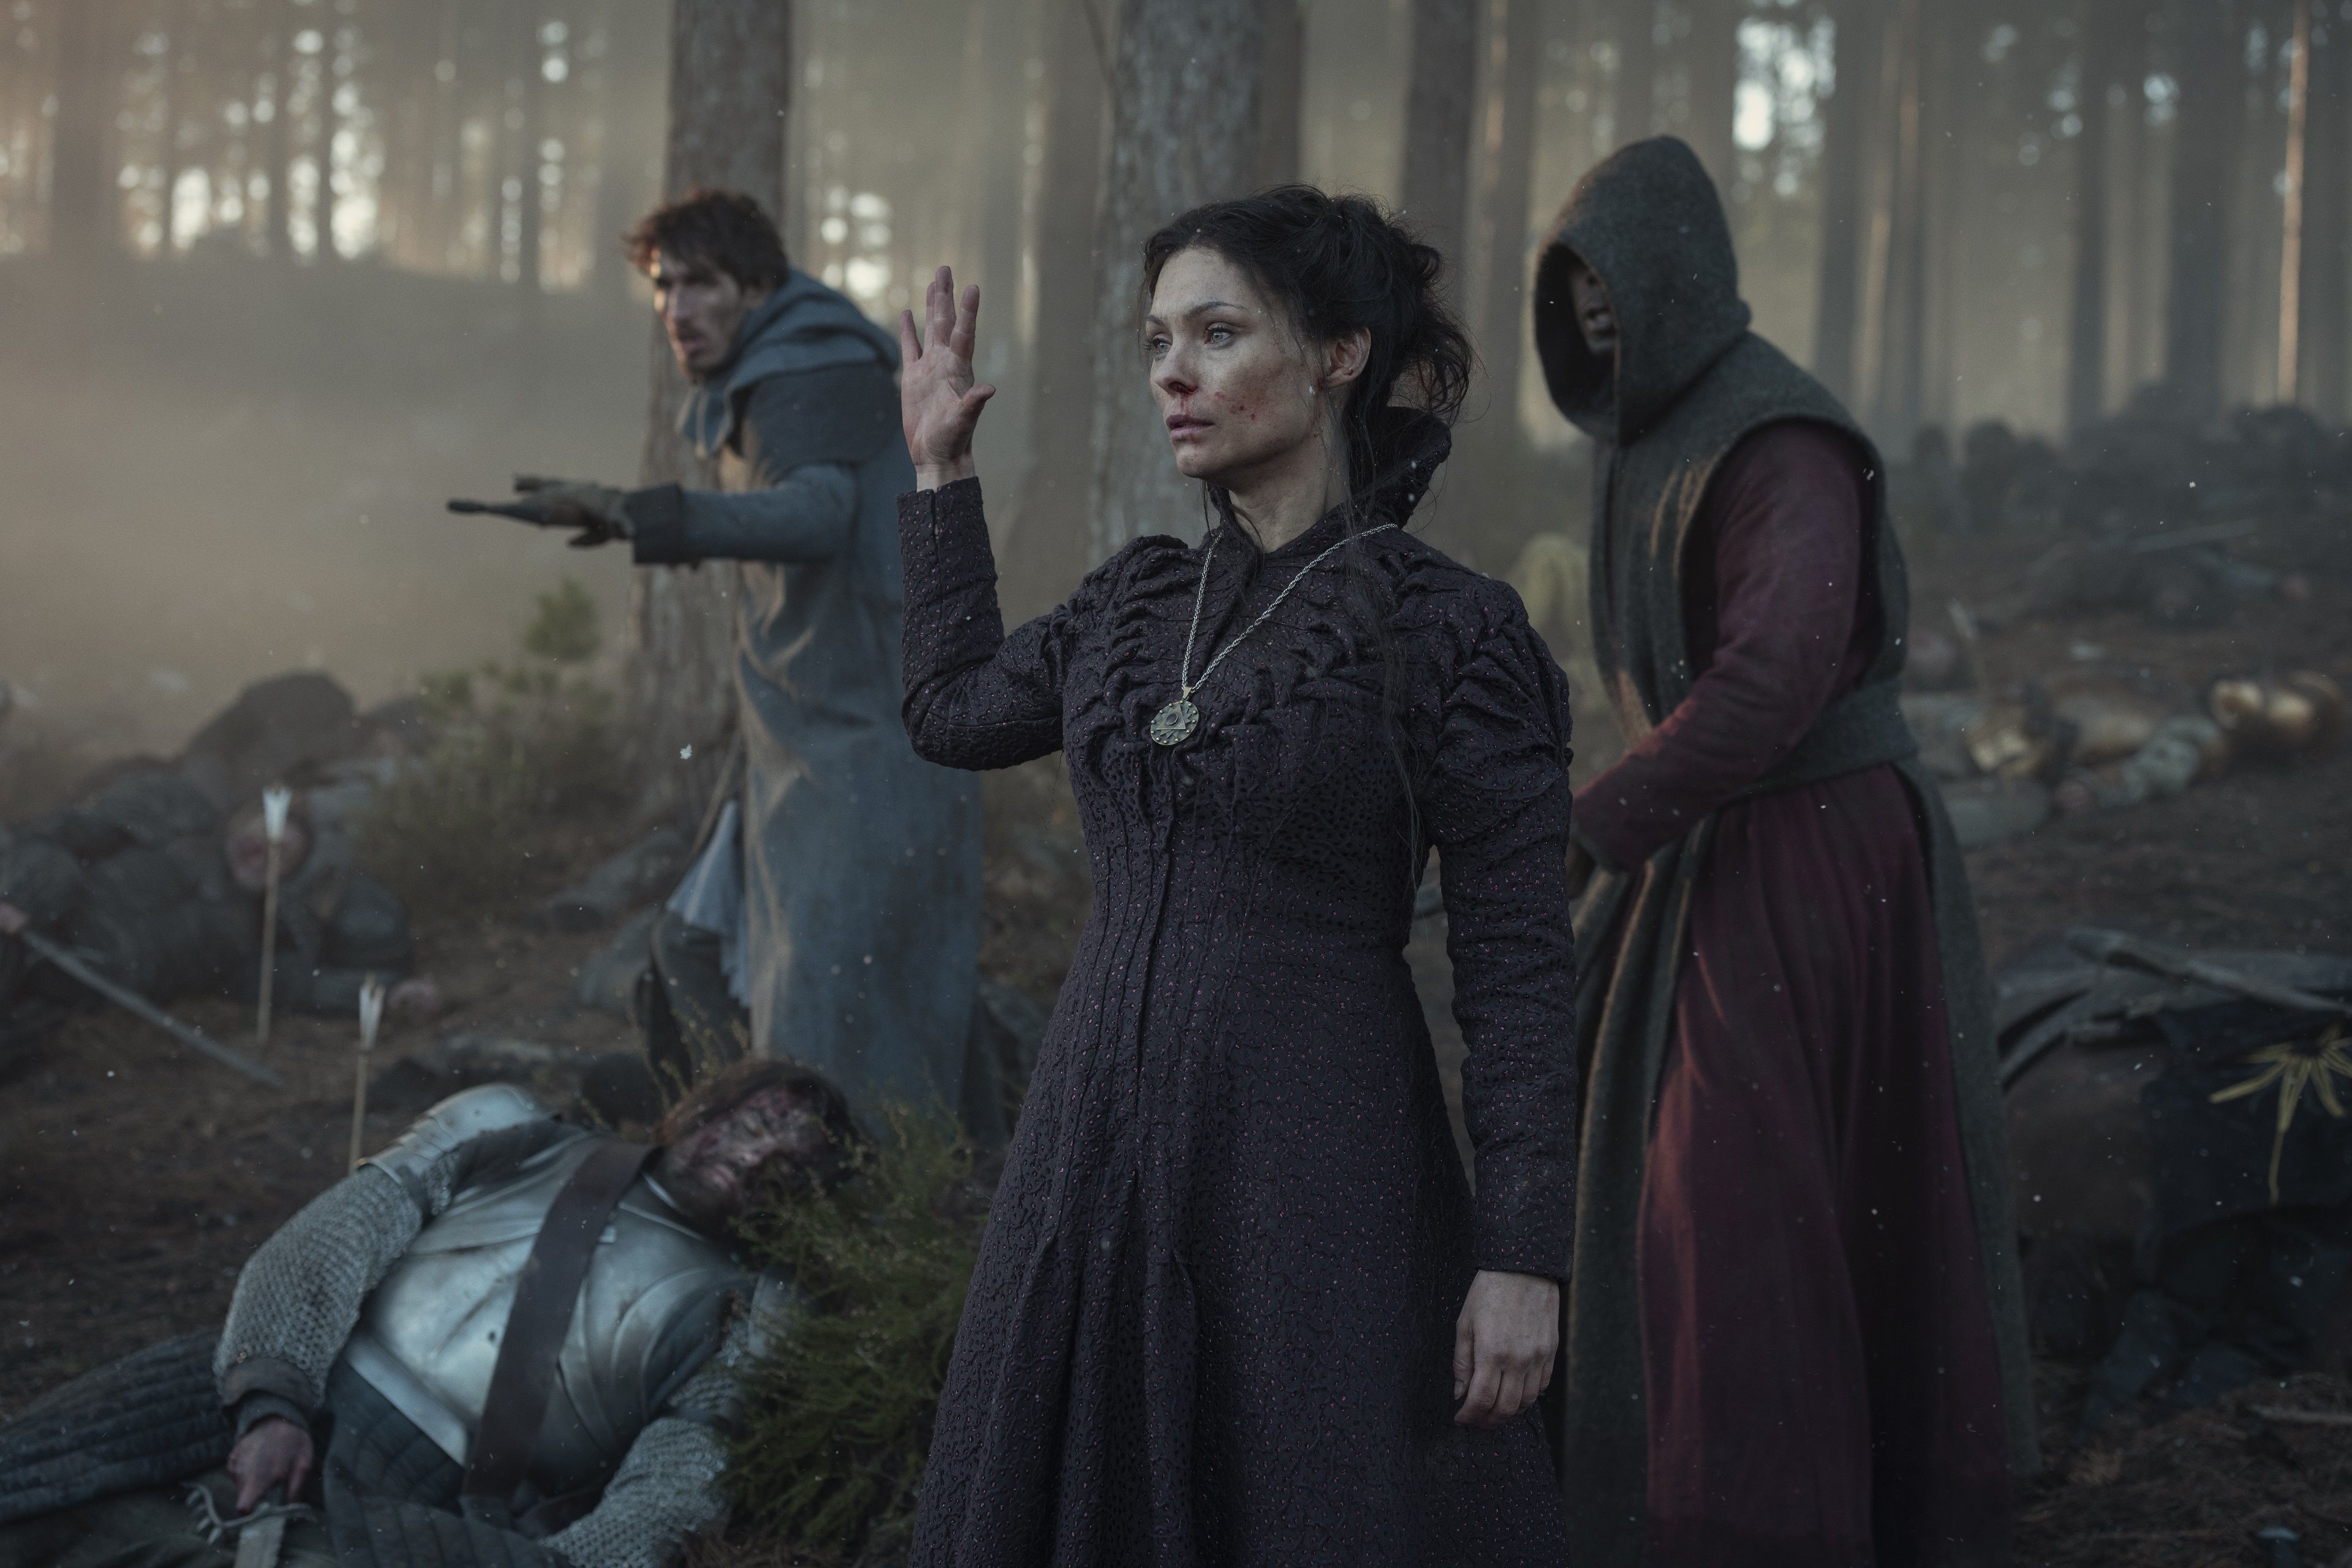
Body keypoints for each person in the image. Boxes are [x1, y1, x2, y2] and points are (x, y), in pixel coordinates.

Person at [894, 186, 1577, 1564]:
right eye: (1158, 340)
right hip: (1092, 1144)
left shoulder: (1454, 631)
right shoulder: (1136, 599)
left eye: (1217, 333)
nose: (1173, 373)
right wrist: (941, 478)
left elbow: (1518, 975)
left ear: (1339, 354)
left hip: (1314, 1168)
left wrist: (1522, 1256)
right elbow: (950, 711)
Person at [1529, 136, 2037, 1564]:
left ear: (1684, 277)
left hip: (1816, 851)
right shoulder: (1653, 437)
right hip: (1718, 836)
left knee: (1736, 1197)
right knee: (1693, 1192)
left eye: (1617, 285)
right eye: (1574, 294)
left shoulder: (1779, 442)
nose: (1598, 316)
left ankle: (1776, 1521)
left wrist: (1597, 820)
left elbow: (1771, 681)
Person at [494, 189, 989, 1137]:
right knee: (701, 942)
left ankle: (840, 1190)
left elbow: (815, 516)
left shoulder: (808, 369)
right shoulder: (791, 358)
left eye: (702, 284)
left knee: (837, 992)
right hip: (816, 728)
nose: (677, 308)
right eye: (663, 286)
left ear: (756, 287)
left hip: (866, 738)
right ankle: (742, 1152)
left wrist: (641, 514)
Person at [0, 1063, 848, 1568]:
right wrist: (270, 1401)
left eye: (792, 1160)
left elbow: (671, 1492)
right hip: (284, 1385)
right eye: (758, 1121)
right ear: (712, 1108)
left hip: (439, 1508)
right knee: (33, 1487)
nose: (758, 1154)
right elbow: (328, 1243)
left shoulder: (752, 1308)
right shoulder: (514, 1129)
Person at [0, 766, 434, 1058]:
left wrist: (389, 992)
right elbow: (64, 833)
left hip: (73, 983)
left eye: (282, 856)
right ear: (242, 823)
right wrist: (20, 898)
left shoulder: (246, 937)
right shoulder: (176, 825)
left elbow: (300, 986)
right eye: (263, 836)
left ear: (283, 882)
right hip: (28, 920)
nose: (262, 853)